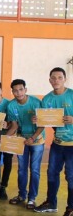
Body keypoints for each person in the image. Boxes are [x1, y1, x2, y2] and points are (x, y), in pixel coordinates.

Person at [34, 67, 73, 216]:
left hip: (72, 145)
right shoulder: (47, 99)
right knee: (51, 173)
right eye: (53, 78)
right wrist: (38, 120)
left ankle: (71, 207)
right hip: (57, 144)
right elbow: (44, 121)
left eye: (59, 77)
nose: (56, 80)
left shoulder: (72, 95)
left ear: (65, 79)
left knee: (71, 176)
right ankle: (51, 203)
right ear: (49, 80)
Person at [6, 79, 44, 210]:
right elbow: (14, 126)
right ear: (12, 92)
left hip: (37, 140)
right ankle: (22, 195)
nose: (18, 93)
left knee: (34, 170)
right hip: (21, 140)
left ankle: (32, 198)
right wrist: (5, 138)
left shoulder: (36, 102)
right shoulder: (11, 106)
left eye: (21, 89)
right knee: (22, 169)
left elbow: (42, 124)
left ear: (25, 90)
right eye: (15, 90)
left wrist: (33, 138)